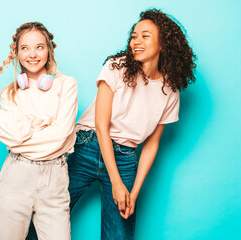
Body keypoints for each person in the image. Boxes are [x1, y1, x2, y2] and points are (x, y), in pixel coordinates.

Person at [67, 8, 196, 240]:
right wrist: (116, 182)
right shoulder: (116, 67)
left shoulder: (170, 89)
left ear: (163, 43)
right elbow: (101, 124)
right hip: (88, 146)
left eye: (145, 36)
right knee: (46, 217)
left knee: (119, 234)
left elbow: (152, 144)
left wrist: (133, 192)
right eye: (134, 36)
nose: (136, 41)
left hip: (126, 157)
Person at [0, 22, 78, 240]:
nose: (32, 54)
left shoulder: (67, 84)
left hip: (55, 179)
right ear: (17, 53)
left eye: (39, 47)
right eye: (25, 48)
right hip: (16, 176)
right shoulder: (9, 95)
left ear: (49, 50)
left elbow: (59, 136)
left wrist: (14, 138)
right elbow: (19, 135)